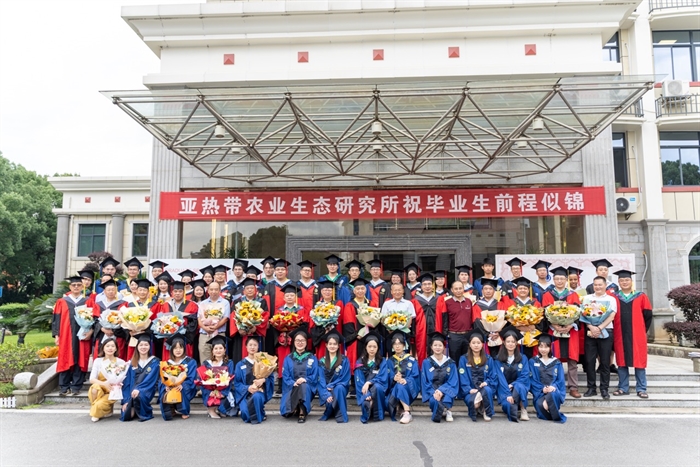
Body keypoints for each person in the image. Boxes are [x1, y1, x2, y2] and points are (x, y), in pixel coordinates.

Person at [53, 275, 98, 397]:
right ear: (70, 287)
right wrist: (56, 335)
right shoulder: (62, 301)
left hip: (83, 335)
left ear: (82, 287)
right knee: (65, 357)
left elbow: (94, 319)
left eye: (78, 285)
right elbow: (56, 319)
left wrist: (91, 331)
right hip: (66, 336)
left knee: (81, 358)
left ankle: (76, 386)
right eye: (74, 285)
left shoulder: (88, 301)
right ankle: (64, 386)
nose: (76, 287)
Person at [541, 266, 582, 399]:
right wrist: (554, 326)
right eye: (557, 278)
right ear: (553, 280)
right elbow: (545, 314)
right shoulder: (547, 295)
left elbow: (577, 314)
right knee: (554, 359)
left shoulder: (573, 295)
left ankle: (573, 387)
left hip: (571, 332)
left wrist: (570, 325)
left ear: (566, 280)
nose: (559, 281)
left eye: (562, 279)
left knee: (572, 360)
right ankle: (554, 385)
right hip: (554, 332)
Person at [612, 270, 652, 399]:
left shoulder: (641, 296)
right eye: (622, 280)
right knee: (621, 361)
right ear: (618, 282)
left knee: (639, 361)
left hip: (637, 334)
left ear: (631, 281)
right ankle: (623, 388)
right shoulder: (614, 297)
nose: (624, 282)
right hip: (620, 333)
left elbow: (648, 316)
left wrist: (642, 330)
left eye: (627, 280)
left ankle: (641, 389)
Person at [581, 276, 617, 399]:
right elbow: (583, 315)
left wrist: (599, 328)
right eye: (595, 285)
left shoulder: (611, 299)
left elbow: (611, 315)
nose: (598, 287)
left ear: (605, 285)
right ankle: (591, 388)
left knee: (605, 361)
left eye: (600, 284)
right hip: (590, 332)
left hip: (606, 331)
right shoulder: (587, 298)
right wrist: (591, 327)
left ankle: (604, 389)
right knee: (590, 361)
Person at [280, 328, 319, 423]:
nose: (300, 343)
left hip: (307, 385)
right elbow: (285, 375)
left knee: (303, 386)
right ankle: (295, 406)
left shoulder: (312, 358)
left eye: (302, 340)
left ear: (306, 342)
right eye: (297, 340)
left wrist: (305, 379)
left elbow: (315, 374)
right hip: (292, 386)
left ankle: (302, 411)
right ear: (294, 342)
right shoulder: (288, 358)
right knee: (299, 387)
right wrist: (293, 383)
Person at [458, 330, 498, 422]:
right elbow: (462, 377)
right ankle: (480, 404)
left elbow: (493, 375)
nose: (476, 345)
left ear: (482, 344)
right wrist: (469, 389)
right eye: (473, 343)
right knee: (474, 404)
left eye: (478, 343)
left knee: (487, 390)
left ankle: (486, 411)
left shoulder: (488, 359)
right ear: (469, 344)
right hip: (471, 390)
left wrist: (486, 382)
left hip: (485, 388)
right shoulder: (463, 359)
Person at [233, 337, 275, 424]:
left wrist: (263, 380)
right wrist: (248, 388)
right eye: (250, 345)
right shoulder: (240, 364)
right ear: (246, 347)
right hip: (245, 394)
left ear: (258, 347)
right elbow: (237, 383)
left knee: (256, 397)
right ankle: (261, 412)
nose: (252, 347)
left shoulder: (264, 362)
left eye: (255, 345)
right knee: (245, 415)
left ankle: (259, 413)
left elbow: (271, 378)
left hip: (258, 392)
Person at [120, 333, 160, 422]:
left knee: (139, 396)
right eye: (141, 345)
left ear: (150, 346)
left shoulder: (155, 362)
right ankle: (132, 405)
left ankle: (140, 409)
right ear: (137, 347)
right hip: (132, 391)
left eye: (146, 345)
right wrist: (126, 400)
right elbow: (127, 382)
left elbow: (151, 380)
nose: (143, 347)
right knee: (127, 415)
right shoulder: (132, 362)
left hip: (146, 389)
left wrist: (139, 389)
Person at [421, 331, 459, 423]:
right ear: (431, 347)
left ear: (444, 347)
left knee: (448, 396)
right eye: (435, 345)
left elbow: (453, 380)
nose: (437, 347)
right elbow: (425, 381)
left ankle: (448, 410)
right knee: (434, 401)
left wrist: (441, 390)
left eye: (440, 345)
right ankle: (440, 409)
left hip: (447, 389)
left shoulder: (450, 363)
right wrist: (434, 392)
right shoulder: (426, 362)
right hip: (432, 390)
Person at [494, 328, 531, 422]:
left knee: (520, 386)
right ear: (504, 343)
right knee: (508, 407)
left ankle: (523, 409)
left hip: (518, 388)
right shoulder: (498, 359)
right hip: (504, 389)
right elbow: (500, 378)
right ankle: (512, 404)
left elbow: (525, 375)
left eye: (513, 342)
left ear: (516, 343)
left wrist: (513, 385)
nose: (510, 344)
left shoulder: (523, 358)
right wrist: (507, 393)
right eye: (508, 341)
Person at [159, 334, 198, 421]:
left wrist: (182, 384)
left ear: (184, 349)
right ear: (171, 349)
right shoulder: (167, 363)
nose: (178, 350)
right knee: (163, 388)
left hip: (184, 387)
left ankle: (184, 411)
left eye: (180, 347)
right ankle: (170, 409)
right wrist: (166, 385)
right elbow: (162, 378)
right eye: (175, 348)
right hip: (170, 385)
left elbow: (192, 378)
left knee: (182, 388)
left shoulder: (191, 362)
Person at [230, 277, 269, 364]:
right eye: (247, 288)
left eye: (252, 288)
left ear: (255, 290)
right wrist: (239, 329)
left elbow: (265, 316)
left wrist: (256, 327)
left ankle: (258, 370)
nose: (250, 290)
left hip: (256, 334)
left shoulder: (262, 301)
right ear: (244, 291)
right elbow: (233, 317)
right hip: (241, 335)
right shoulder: (237, 302)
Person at [529, 333, 567, 423]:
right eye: (541, 346)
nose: (543, 349)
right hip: (539, 393)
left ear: (550, 347)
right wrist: (542, 389)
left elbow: (560, 380)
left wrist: (553, 387)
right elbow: (531, 379)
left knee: (552, 396)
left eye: (546, 347)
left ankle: (553, 410)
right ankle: (554, 413)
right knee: (541, 406)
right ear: (538, 347)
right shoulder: (532, 361)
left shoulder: (557, 362)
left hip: (553, 391)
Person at [88, 338, 127, 422]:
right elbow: (92, 379)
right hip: (101, 387)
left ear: (116, 348)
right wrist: (104, 384)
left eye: (112, 346)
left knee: (99, 405)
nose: (110, 348)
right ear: (103, 348)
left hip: (113, 389)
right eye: (107, 346)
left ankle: (98, 409)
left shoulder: (121, 362)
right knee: (94, 388)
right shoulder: (98, 361)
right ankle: (100, 408)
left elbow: (123, 378)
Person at [197, 335, 236, 418]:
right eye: (216, 348)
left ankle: (219, 408)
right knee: (209, 394)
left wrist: (222, 393)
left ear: (225, 350)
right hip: (209, 392)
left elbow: (230, 380)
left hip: (224, 391)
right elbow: (202, 380)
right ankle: (211, 409)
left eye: (221, 348)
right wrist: (210, 392)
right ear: (212, 351)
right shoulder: (206, 364)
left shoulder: (229, 363)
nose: (218, 351)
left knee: (231, 413)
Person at [386, 330, 420, 424]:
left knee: (400, 385)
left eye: (400, 343)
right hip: (394, 388)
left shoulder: (411, 360)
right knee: (398, 386)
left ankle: (407, 412)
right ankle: (401, 408)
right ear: (392, 346)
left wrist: (406, 380)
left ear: (404, 345)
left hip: (409, 387)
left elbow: (415, 376)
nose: (397, 346)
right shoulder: (390, 361)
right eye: (395, 344)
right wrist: (394, 378)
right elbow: (387, 376)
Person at [354, 332, 389, 424]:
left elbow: (383, 378)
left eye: (374, 347)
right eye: (369, 346)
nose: (372, 349)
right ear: (365, 347)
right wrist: (367, 394)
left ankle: (377, 414)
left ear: (378, 348)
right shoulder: (360, 362)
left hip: (377, 391)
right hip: (365, 391)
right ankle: (368, 405)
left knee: (377, 387)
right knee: (366, 401)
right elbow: (359, 383)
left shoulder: (382, 361)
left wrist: (369, 382)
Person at [435, 281, 474, 362]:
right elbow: (444, 319)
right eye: (456, 289)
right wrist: (446, 333)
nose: (458, 291)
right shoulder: (447, 302)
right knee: (454, 360)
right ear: (452, 290)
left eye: (460, 288)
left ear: (463, 289)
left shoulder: (469, 301)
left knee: (468, 360)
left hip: (467, 335)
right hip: (454, 336)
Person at [317, 331, 351, 423]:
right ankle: (331, 408)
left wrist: (332, 385)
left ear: (338, 346)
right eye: (330, 344)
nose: (332, 346)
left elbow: (345, 378)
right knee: (329, 397)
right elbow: (320, 380)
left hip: (340, 386)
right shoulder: (321, 361)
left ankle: (341, 415)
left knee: (339, 388)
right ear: (326, 345)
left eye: (335, 344)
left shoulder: (344, 360)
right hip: (326, 389)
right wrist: (326, 393)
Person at [472, 277, 511, 356]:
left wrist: (499, 333)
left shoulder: (501, 304)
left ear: (494, 291)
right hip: (484, 339)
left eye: (490, 289)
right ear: (482, 291)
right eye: (485, 289)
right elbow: (476, 322)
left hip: (499, 338)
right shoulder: (476, 305)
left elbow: (506, 321)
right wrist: (487, 334)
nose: (488, 291)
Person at [342, 277, 372, 375]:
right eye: (358, 289)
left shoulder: (371, 304)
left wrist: (370, 334)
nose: (360, 291)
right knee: (355, 361)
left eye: (362, 288)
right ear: (354, 291)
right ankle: (354, 380)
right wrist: (356, 335)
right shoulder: (350, 305)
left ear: (365, 290)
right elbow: (348, 323)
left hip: (369, 338)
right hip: (356, 339)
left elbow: (376, 321)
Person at [197, 281, 231, 363]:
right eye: (211, 289)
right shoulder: (203, 303)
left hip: (219, 334)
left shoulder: (225, 303)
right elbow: (199, 318)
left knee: (219, 359)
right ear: (208, 290)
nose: (213, 291)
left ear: (220, 290)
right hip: (205, 334)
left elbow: (225, 318)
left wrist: (215, 327)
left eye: (216, 289)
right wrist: (205, 327)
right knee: (204, 358)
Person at [94, 279, 128, 360]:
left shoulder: (123, 304)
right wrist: (102, 329)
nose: (111, 292)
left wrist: (113, 331)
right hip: (102, 335)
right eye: (108, 290)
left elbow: (125, 321)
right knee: (101, 355)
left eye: (113, 290)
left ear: (116, 291)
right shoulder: (98, 305)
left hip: (117, 336)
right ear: (104, 291)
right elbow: (95, 320)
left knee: (117, 356)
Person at [310, 279, 343, 359]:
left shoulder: (338, 304)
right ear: (321, 291)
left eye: (329, 290)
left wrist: (331, 327)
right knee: (322, 355)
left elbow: (341, 320)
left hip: (335, 334)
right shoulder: (317, 305)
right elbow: (313, 323)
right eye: (325, 290)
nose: (327, 292)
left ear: (333, 291)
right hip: (321, 336)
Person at [412, 272, 439, 363]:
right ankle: (423, 369)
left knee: (436, 350)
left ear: (433, 285)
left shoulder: (439, 299)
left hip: (436, 329)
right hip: (421, 330)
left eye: (429, 284)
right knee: (422, 351)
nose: (427, 286)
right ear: (421, 286)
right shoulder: (415, 300)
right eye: (424, 284)